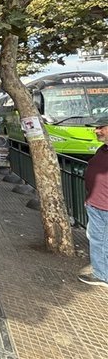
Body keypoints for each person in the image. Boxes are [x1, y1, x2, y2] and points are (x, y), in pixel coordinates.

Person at [78, 116, 108, 287]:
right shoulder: (102, 149)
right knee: (99, 240)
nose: (96, 131)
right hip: (95, 204)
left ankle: (102, 275)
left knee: (100, 241)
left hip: (104, 206)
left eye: (101, 127)